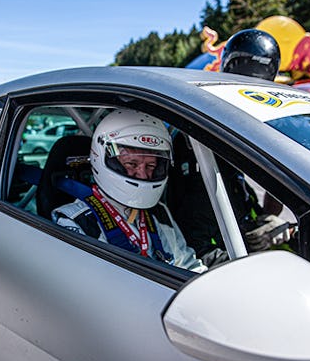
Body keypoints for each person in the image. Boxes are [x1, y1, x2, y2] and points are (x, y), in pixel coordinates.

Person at [170, 29, 293, 267]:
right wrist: (255, 260)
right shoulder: (197, 135)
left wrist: (269, 223)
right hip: (211, 262)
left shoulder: (244, 134)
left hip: (233, 246)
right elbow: (195, 250)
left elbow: (270, 185)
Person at [52, 109, 207, 273]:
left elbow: (188, 266)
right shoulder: (75, 221)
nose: (142, 174)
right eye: (132, 164)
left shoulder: (159, 212)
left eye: (151, 166)